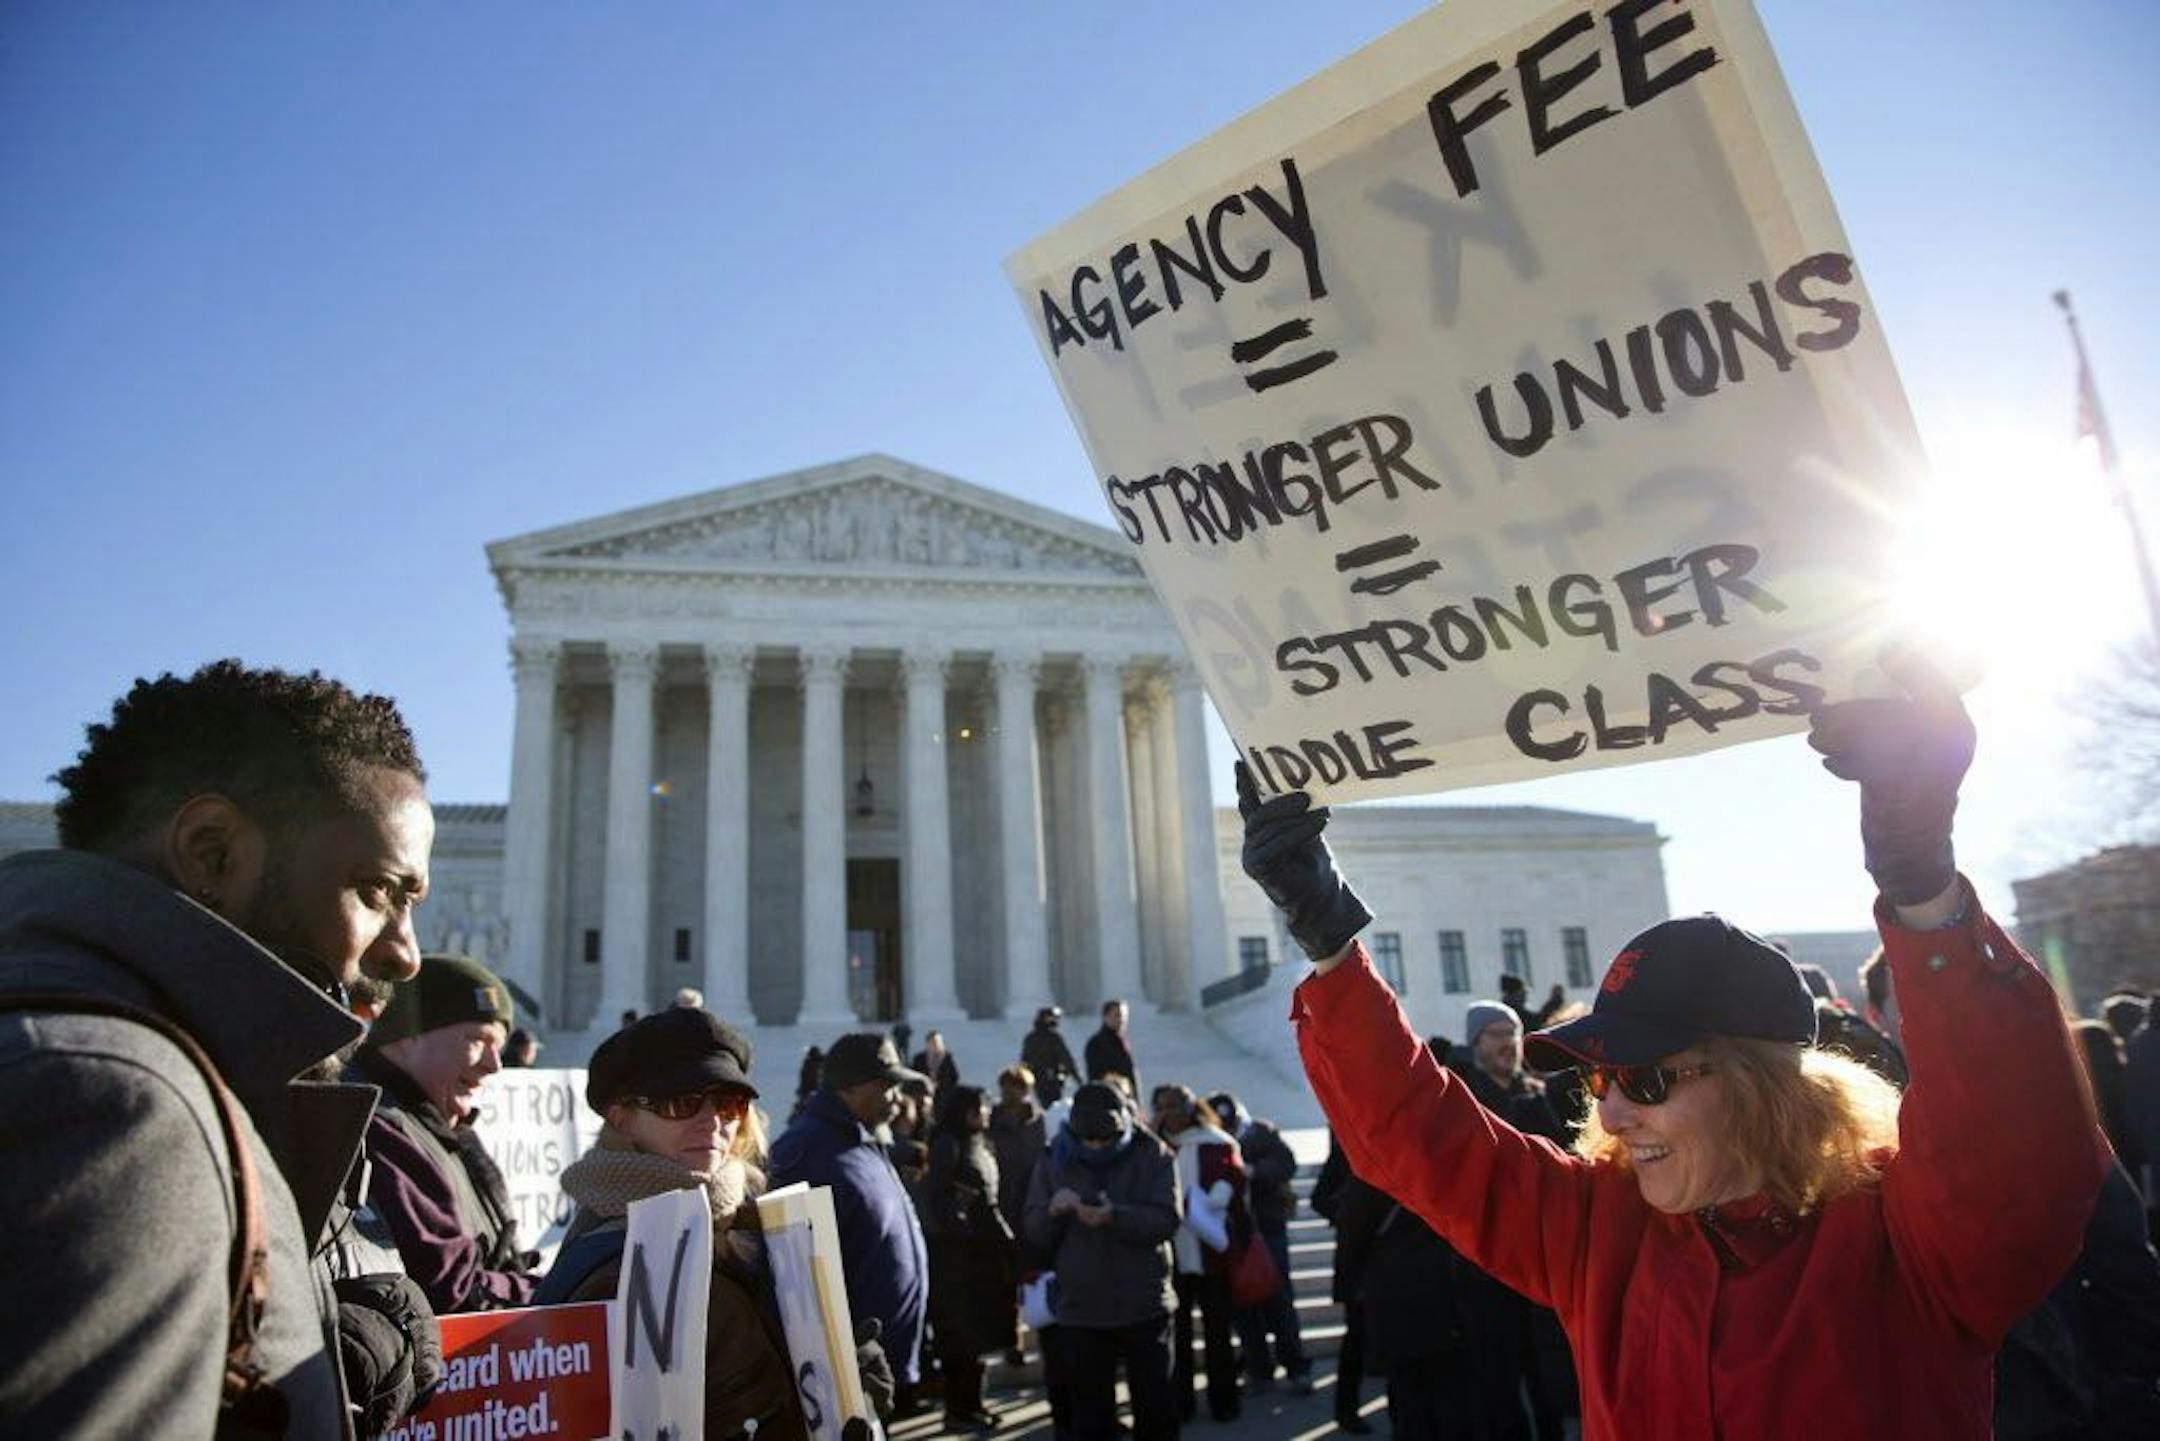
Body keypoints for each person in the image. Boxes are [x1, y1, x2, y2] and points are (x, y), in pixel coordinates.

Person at [1243, 650, 2110, 1438]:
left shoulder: (1900, 1240)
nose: (1611, 1112)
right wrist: (1326, 938)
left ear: (1763, 1085)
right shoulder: (1598, 1226)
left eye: (1647, 1078)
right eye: (1602, 1078)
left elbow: (2017, 1156)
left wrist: (1923, 888)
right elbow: (1419, 1139)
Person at [0, 660, 440, 1437]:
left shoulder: (171, 1080)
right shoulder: (113, 1107)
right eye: (379, 889)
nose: (407, 953)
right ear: (212, 853)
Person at [536, 1008, 840, 1440]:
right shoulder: (619, 1267)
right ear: (622, 1118)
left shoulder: (744, 1220)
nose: (712, 1121)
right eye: (681, 1103)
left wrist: (842, 1382)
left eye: (729, 1103)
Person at [770, 1032, 931, 1411]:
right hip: (845, 1374)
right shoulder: (806, 1151)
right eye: (886, 1086)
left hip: (881, 1365)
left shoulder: (863, 1139)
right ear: (850, 1087)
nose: (896, 1098)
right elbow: (794, 1274)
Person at [1024, 1082, 1181, 1441]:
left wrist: (1116, 1216)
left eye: (1104, 1139)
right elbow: (1033, 1227)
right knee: (1091, 1422)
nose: (1095, 1147)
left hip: (1144, 1305)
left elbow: (1167, 1220)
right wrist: (1053, 1210)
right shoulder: (1054, 1157)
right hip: (1082, 1311)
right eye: (1088, 1140)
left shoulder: (1153, 1154)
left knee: (1157, 1414)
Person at [923, 1084, 1019, 1430]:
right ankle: (958, 1409)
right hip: (959, 1258)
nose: (987, 1113)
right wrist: (964, 1232)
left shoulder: (978, 1143)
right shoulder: (949, 1143)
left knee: (977, 1336)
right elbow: (938, 1197)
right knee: (959, 1337)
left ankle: (974, 1404)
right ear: (966, 1112)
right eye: (981, 1108)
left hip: (982, 1253)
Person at [1208, 1090, 1313, 1397]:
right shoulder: (1211, 1143)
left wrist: (1253, 1172)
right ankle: (1260, 1369)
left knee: (1280, 1301)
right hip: (1235, 1235)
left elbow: (1285, 1163)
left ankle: (1296, 1367)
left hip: (1268, 1231)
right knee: (1244, 1307)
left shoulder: (1261, 1134)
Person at [1156, 1084, 1245, 1423]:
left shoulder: (1215, 1142)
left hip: (1210, 1250)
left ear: (1190, 1107)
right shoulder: (1155, 1146)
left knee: (1217, 1331)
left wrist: (1208, 1202)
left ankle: (1224, 1401)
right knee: (1176, 1336)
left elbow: (1233, 1180)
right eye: (1162, 1106)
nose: (1169, 1113)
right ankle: (1181, 1404)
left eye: (1175, 1106)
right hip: (1172, 1254)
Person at [990, 1063, 1049, 1237]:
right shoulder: (992, 1120)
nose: (1009, 1093)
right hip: (1000, 1191)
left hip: (1029, 1192)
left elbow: (1041, 1155)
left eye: (1015, 1088)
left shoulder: (1036, 1122)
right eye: (1006, 1087)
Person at [1023, 1004, 1081, 1106]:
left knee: (1044, 1104)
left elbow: (1025, 1061)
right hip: (1052, 1079)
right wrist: (1077, 1078)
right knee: (1054, 1106)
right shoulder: (1053, 1037)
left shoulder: (1030, 1038)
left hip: (1037, 1080)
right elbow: (1066, 1059)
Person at [1086, 997, 1140, 1096]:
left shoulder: (1121, 1041)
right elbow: (1096, 1076)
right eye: (1117, 1015)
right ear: (1105, 1017)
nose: (1122, 1020)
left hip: (1126, 1097)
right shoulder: (1097, 1043)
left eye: (1124, 1016)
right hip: (1107, 1099)